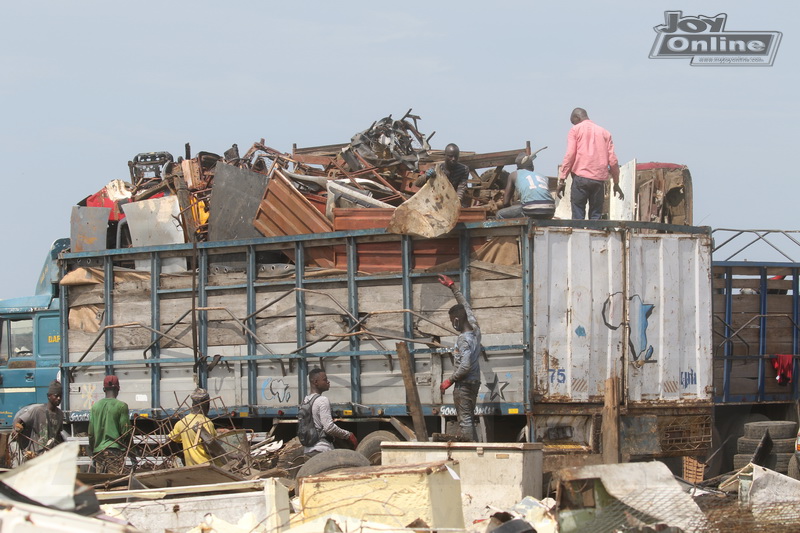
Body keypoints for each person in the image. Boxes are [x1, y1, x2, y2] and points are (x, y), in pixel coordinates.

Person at [556, 107, 624, 220]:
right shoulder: (605, 133)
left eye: (573, 122)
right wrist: (616, 183)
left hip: (580, 179)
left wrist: (562, 180)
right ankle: (595, 236)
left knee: (578, 215)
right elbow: (613, 160)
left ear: (577, 118)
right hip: (599, 180)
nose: (574, 124)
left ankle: (579, 235)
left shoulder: (575, 130)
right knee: (596, 216)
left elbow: (570, 155)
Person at [438, 274, 482, 441]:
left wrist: (449, 381)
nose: (452, 324)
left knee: (465, 421)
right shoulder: (475, 330)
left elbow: (464, 367)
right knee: (469, 418)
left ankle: (469, 452)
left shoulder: (464, 339)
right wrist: (452, 287)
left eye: (451, 321)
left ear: (456, 320)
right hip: (474, 382)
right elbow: (466, 307)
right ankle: (476, 448)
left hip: (464, 384)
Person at [302, 368, 358, 457]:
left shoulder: (305, 400)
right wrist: (348, 435)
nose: (328, 382)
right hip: (322, 450)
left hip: (308, 450)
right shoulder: (322, 400)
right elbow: (329, 427)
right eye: (325, 380)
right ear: (316, 382)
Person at [10, 380, 64, 466]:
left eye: (61, 396)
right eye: (56, 396)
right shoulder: (38, 411)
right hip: (36, 455)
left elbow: (58, 434)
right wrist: (16, 429)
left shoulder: (60, 414)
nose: (59, 398)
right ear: (49, 396)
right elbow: (19, 420)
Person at [88, 375, 131, 474]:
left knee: (101, 483)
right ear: (118, 389)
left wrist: (93, 451)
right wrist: (131, 454)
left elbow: (91, 434)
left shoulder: (95, 407)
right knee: (115, 483)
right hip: (114, 452)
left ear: (104, 389)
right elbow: (126, 432)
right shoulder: (121, 406)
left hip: (99, 452)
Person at [168, 388, 219, 466]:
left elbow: (169, 441)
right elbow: (211, 449)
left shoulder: (182, 422)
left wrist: (182, 455)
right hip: (207, 468)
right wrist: (231, 456)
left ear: (192, 404)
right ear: (207, 404)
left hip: (191, 468)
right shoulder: (206, 422)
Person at [496, 152, 555, 220]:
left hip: (531, 209)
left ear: (518, 166)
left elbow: (506, 202)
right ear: (531, 166)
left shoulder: (514, 175)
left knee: (500, 214)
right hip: (550, 210)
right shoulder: (543, 177)